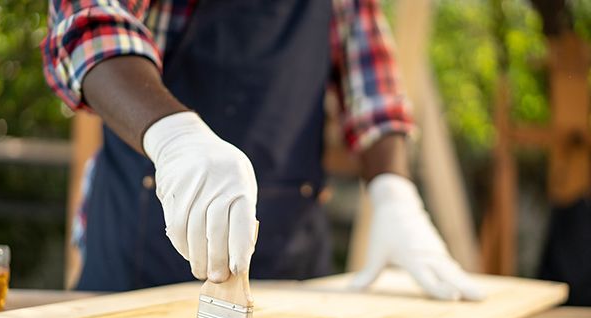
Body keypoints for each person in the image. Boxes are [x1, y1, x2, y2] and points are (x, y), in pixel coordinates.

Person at [42, 0, 483, 301]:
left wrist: (394, 193)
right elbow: (88, 23)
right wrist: (175, 137)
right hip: (136, 256)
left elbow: (373, 86)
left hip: (292, 258)